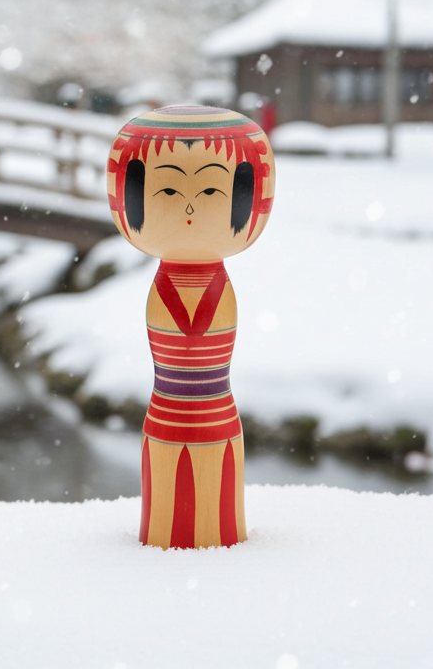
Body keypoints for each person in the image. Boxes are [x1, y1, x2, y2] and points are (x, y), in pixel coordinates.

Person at [106, 105, 275, 549]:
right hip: (170, 416)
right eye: (166, 192)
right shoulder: (166, 288)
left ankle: (199, 536)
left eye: (210, 192)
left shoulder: (217, 289)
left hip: (210, 417)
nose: (187, 206)